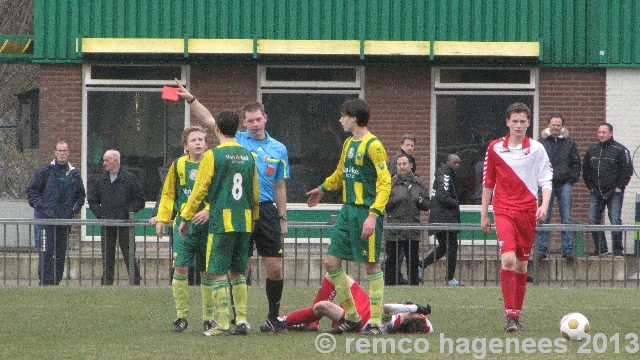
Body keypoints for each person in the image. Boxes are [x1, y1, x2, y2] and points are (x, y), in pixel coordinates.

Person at [175, 80, 290, 333]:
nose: (254, 124)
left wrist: (281, 217)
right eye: (249, 121)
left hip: (257, 212)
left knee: (267, 268)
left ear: (265, 119)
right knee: (239, 268)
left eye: (258, 120)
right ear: (243, 124)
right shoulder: (242, 146)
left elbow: (279, 185)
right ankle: (240, 319)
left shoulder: (277, 148)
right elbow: (208, 119)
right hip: (246, 213)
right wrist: (191, 99)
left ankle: (262, 318)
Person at [306, 98, 391, 336]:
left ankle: (374, 323)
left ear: (354, 117)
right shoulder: (348, 144)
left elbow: (385, 183)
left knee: (372, 265)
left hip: (365, 211)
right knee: (331, 263)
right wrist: (323, 188)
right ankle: (352, 317)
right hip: (347, 211)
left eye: (343, 115)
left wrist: (373, 215)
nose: (340, 120)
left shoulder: (374, 145)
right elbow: (341, 173)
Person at [178, 110, 259, 336]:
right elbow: (254, 191)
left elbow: (199, 189)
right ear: (239, 128)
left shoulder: (213, 156)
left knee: (217, 272)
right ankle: (241, 320)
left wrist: (185, 217)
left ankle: (222, 324)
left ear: (217, 130)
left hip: (222, 222)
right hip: (244, 221)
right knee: (238, 272)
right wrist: (255, 218)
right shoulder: (248, 155)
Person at [480, 102, 552, 332]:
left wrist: (544, 205)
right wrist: (484, 214)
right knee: (508, 259)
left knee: (521, 265)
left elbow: (546, 180)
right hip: (503, 210)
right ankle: (509, 316)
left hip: (527, 211)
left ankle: (516, 315)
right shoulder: (494, 148)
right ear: (507, 122)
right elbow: (488, 182)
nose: (519, 125)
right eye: (515, 121)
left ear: (528, 123)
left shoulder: (537, 149)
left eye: (523, 121)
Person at [154, 126, 215, 334]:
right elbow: (169, 193)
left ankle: (209, 318)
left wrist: (208, 210)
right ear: (185, 146)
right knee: (180, 268)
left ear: (206, 144)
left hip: (207, 225)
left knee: (207, 271)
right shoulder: (179, 165)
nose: (198, 143)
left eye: (201, 139)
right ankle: (181, 316)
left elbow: (218, 194)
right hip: (183, 225)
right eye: (193, 140)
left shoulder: (214, 163)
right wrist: (163, 218)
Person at [281, 273, 433, 334]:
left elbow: (387, 308)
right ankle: (312, 323)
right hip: (366, 305)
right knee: (333, 275)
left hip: (361, 320)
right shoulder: (424, 325)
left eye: (414, 312)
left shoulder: (393, 319)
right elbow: (429, 329)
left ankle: (283, 321)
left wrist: (415, 307)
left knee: (322, 306)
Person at [27, 141, 86, 285]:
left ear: (68, 152)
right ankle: (45, 281)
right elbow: (32, 191)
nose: (62, 153)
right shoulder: (45, 171)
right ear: (55, 152)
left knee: (60, 253)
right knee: (46, 251)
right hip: (47, 220)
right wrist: (42, 207)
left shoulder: (74, 174)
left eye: (65, 150)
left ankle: (56, 280)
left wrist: (73, 211)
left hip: (64, 220)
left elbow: (80, 196)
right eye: (60, 150)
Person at [88, 149, 145, 285]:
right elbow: (92, 200)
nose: (104, 163)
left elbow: (139, 199)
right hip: (107, 223)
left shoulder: (129, 178)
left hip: (125, 223)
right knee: (107, 254)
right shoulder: (100, 180)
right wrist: (100, 214)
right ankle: (107, 281)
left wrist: (128, 212)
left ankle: (134, 281)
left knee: (129, 252)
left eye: (107, 160)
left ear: (115, 160)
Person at [583, 123, 633, 257]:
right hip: (597, 191)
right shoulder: (592, 150)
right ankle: (601, 249)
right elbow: (586, 170)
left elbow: (627, 170)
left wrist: (620, 186)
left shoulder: (620, 150)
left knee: (615, 219)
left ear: (611, 133)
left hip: (614, 192)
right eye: (599, 132)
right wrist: (591, 187)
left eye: (604, 132)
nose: (601, 135)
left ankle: (617, 250)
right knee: (592, 219)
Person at [537, 115, 581, 261]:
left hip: (564, 184)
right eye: (553, 124)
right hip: (546, 185)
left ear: (562, 126)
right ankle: (542, 249)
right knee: (543, 216)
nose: (556, 127)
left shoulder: (569, 143)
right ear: (549, 125)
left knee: (567, 217)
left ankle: (567, 250)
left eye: (558, 125)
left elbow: (576, 163)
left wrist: (571, 179)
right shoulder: (541, 143)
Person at [384, 154, 430, 286]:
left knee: (413, 260)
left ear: (410, 165)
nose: (401, 167)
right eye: (399, 164)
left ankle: (413, 286)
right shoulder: (391, 182)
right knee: (392, 260)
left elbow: (427, 204)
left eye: (404, 164)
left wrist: (420, 200)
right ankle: (390, 285)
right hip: (394, 229)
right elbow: (384, 204)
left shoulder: (418, 182)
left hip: (412, 228)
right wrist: (394, 200)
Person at [422, 153, 463, 286]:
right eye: (454, 163)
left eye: (458, 163)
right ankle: (449, 278)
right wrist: (456, 203)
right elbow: (442, 196)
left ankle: (421, 265)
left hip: (441, 217)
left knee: (445, 247)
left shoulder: (446, 174)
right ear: (447, 162)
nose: (457, 165)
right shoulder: (445, 176)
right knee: (451, 247)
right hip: (444, 218)